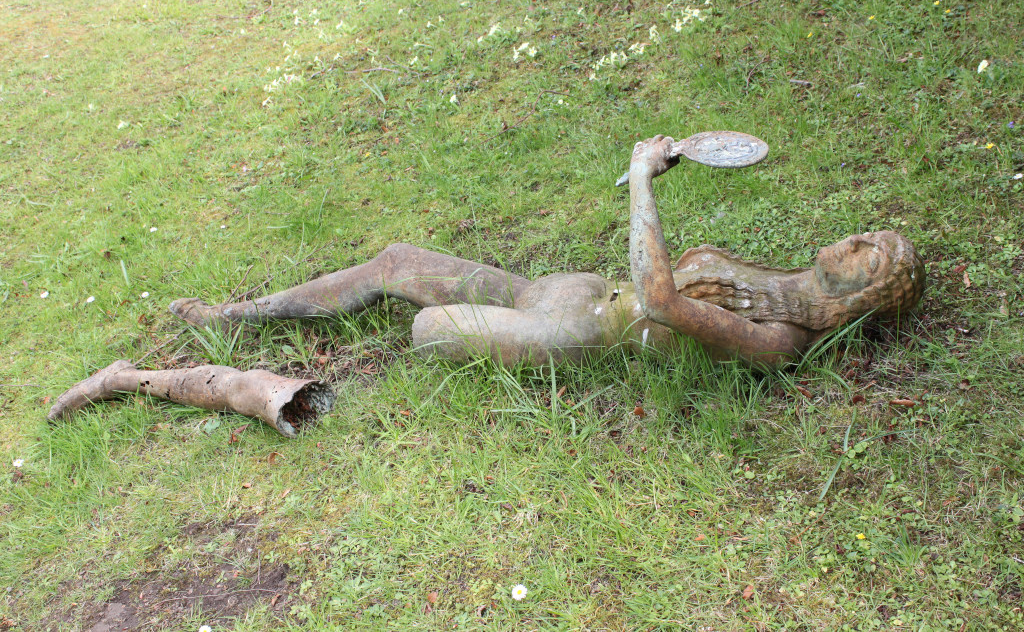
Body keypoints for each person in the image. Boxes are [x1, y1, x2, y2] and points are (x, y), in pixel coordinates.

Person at [49, 136, 925, 433]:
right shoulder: (778, 282)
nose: (860, 239)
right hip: (570, 288)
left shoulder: (781, 343)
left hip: (578, 334)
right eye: (872, 233)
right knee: (396, 260)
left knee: (423, 334)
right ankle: (235, 316)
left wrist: (644, 180)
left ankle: (156, 380)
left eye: (874, 253)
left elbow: (660, 303)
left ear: (865, 295)